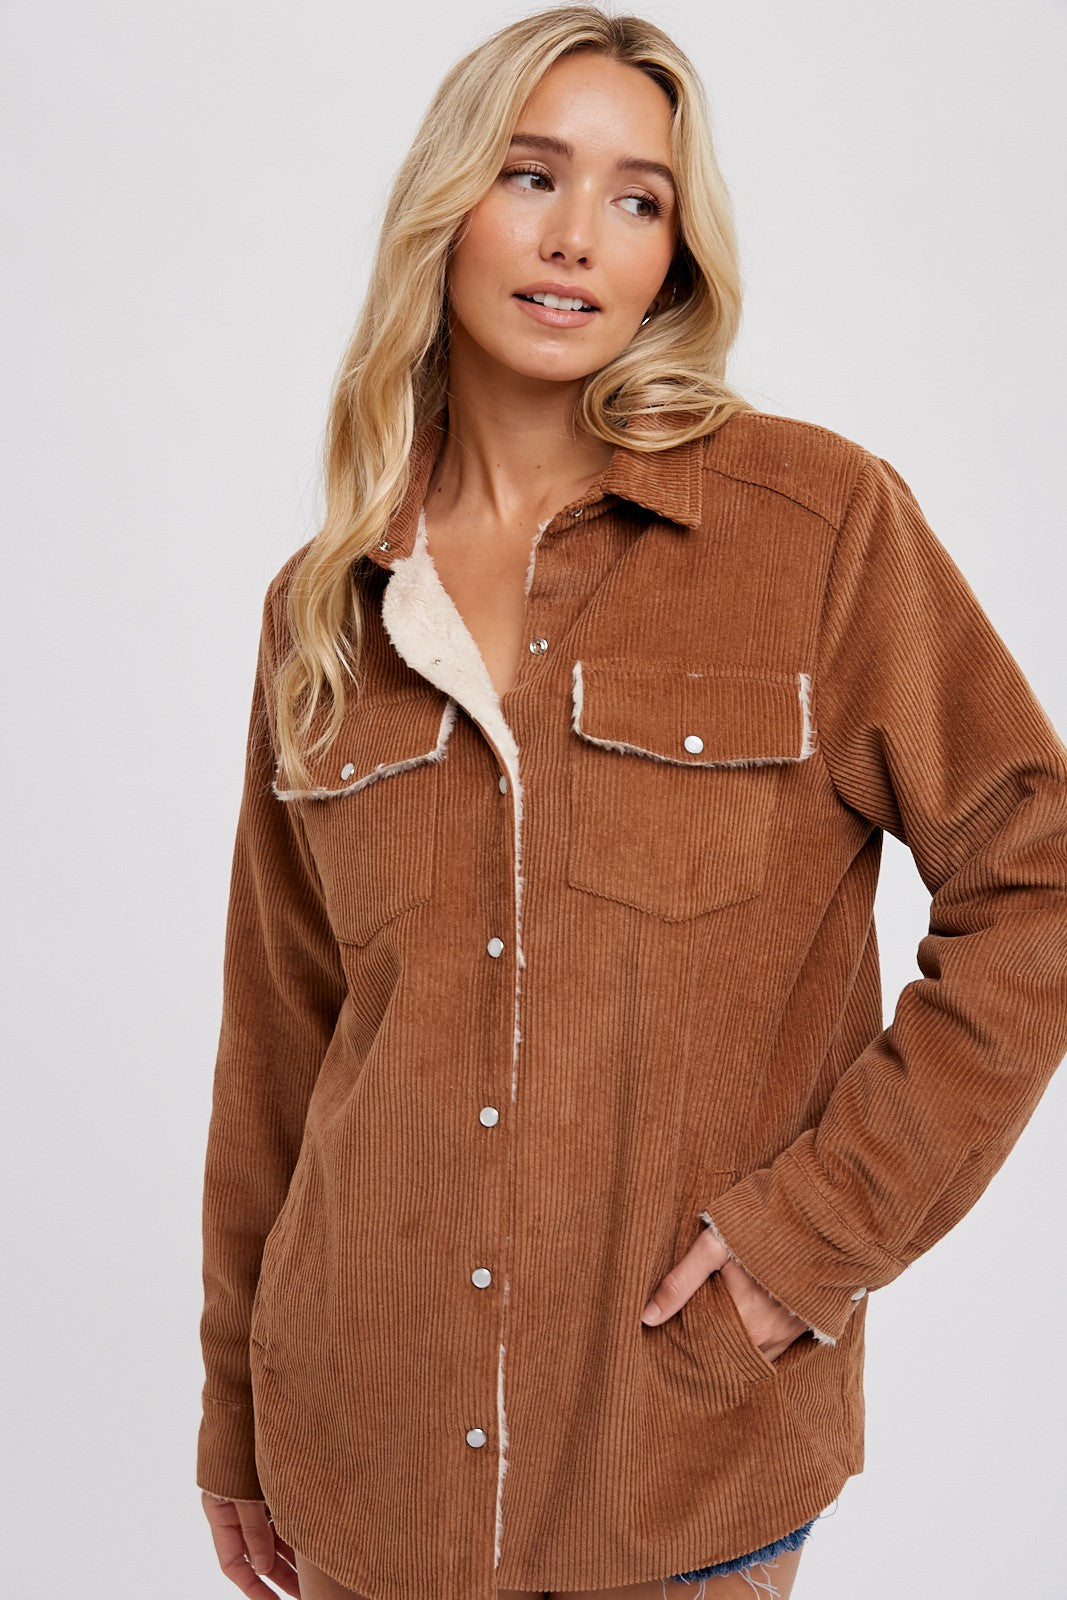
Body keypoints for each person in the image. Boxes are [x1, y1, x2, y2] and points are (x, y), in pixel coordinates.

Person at [195, 8, 1067, 1600]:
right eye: (531, 174)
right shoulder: (323, 608)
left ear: (676, 251)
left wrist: (823, 1229)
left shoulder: (818, 526)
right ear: (449, 201)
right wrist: (233, 1420)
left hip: (678, 1473)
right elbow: (282, 1038)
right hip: (367, 1468)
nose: (577, 236)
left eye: (638, 196)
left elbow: (1040, 877)